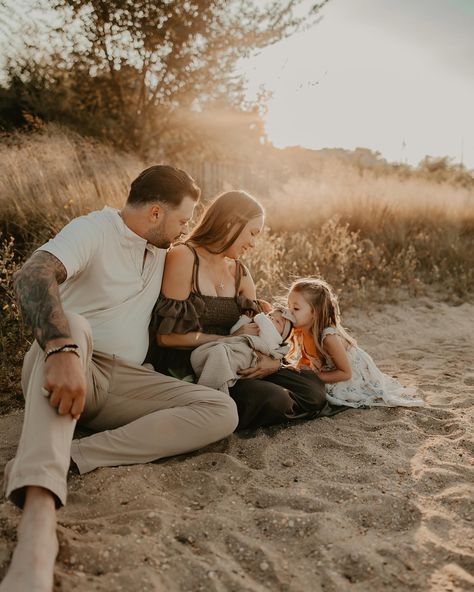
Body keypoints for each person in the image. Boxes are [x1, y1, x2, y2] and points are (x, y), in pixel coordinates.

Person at [0, 165, 239, 592]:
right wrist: (60, 348)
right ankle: (38, 519)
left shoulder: (163, 252)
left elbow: (201, 290)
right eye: (182, 220)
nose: (185, 231)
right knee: (74, 323)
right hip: (68, 364)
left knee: (220, 410)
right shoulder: (94, 229)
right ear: (154, 213)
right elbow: (32, 275)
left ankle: (77, 455)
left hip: (125, 380)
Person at [146, 190, 326, 429]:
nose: (253, 243)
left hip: (240, 358)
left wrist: (271, 362)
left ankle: (236, 405)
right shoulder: (184, 257)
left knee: (313, 388)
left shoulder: (239, 271)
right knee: (276, 399)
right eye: (252, 233)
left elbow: (260, 328)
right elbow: (166, 337)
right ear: (231, 223)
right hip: (198, 362)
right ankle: (213, 409)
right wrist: (228, 339)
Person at [287, 278, 424, 408]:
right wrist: (297, 372)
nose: (289, 312)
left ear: (314, 313)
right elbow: (306, 358)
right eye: (288, 306)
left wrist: (314, 377)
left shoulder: (328, 338)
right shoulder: (300, 330)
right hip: (329, 370)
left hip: (352, 373)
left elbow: (346, 373)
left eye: (296, 308)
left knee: (330, 396)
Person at [191, 307, 294, 394]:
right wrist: (244, 320)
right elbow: (234, 331)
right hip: (231, 347)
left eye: (277, 321)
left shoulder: (273, 340)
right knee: (219, 351)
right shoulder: (255, 326)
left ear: (281, 336)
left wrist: (262, 319)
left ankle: (209, 391)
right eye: (270, 315)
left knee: (222, 356)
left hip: (244, 358)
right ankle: (207, 383)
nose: (271, 318)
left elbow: (275, 352)